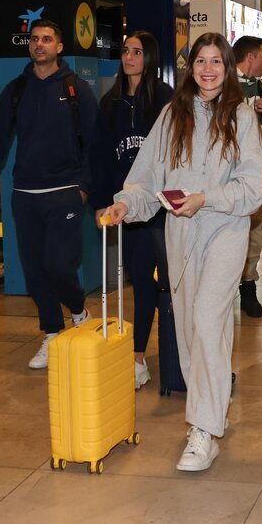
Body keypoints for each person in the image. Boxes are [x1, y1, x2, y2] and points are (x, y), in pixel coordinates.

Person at [101, 32, 262, 472]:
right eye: (201, 62)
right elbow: (147, 178)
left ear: (228, 68)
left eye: (217, 62)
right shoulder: (173, 116)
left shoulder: (243, 118)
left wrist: (206, 198)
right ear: (190, 67)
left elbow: (254, 187)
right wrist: (126, 203)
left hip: (225, 231)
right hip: (180, 234)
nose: (208, 70)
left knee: (208, 320)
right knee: (192, 329)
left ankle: (204, 428)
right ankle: (212, 410)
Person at [0, 19, 100, 369]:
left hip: (65, 194)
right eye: (34, 39)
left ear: (59, 47)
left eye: (47, 39)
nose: (39, 44)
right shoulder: (16, 90)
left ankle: (78, 310)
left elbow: (94, 145)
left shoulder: (77, 90)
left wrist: (85, 189)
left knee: (58, 264)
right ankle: (52, 334)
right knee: (34, 272)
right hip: (25, 195)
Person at [90, 30, 174, 389]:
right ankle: (138, 357)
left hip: (163, 208)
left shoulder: (165, 99)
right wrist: (102, 203)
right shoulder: (109, 103)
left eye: (137, 52)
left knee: (169, 285)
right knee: (140, 281)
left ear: (149, 57)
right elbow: (99, 157)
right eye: (125, 51)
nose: (129, 57)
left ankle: (177, 351)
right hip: (128, 210)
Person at [233, 35, 262, 318]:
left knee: (256, 228)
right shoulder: (223, 86)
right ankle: (227, 283)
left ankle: (248, 285)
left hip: (255, 169)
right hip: (227, 172)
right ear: (250, 57)